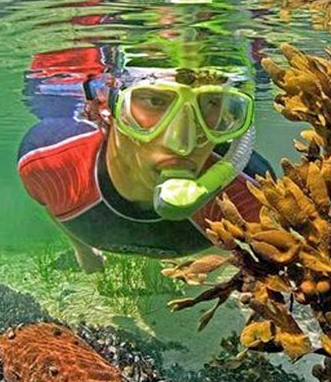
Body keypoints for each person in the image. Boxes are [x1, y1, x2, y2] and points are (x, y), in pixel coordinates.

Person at [18, 45, 274, 272]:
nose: (182, 145)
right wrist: (82, 249)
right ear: (108, 108)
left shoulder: (253, 193)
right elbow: (50, 200)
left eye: (211, 103)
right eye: (155, 100)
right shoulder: (49, 160)